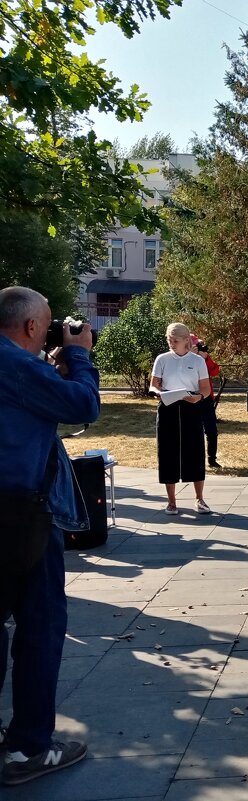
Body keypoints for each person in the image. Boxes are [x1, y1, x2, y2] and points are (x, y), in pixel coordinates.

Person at [0, 286, 99, 785]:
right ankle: (29, 750)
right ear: (32, 328)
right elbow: (83, 405)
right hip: (19, 521)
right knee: (39, 629)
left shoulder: (20, 367)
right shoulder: (16, 365)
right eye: (50, 325)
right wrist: (79, 357)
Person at [151, 323, 213, 515]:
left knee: (194, 450)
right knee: (167, 451)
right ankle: (171, 501)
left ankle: (200, 499)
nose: (171, 343)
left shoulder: (197, 361)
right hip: (168, 405)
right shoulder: (162, 359)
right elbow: (153, 385)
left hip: (191, 405)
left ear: (186, 340)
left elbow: (205, 388)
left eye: (175, 340)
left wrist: (199, 397)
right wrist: (157, 393)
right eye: (169, 340)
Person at [190, 334, 222, 469]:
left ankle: (212, 460)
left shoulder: (203, 358)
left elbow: (215, 371)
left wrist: (206, 358)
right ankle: (193, 460)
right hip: (190, 398)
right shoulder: (180, 359)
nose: (199, 348)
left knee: (212, 430)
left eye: (199, 345)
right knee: (192, 431)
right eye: (196, 345)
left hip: (206, 397)